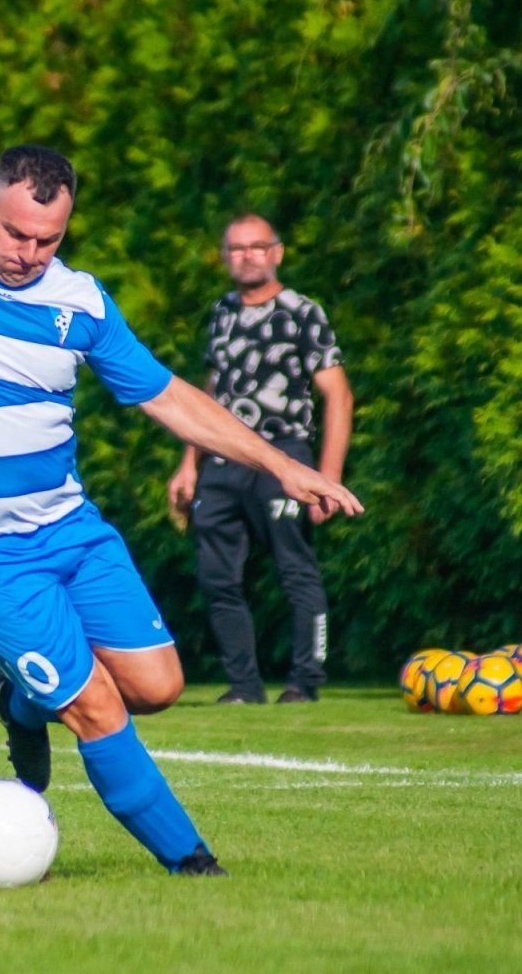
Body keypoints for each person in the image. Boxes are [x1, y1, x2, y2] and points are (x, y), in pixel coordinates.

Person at [0, 146, 362, 876]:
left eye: (48, 240)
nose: (28, 253)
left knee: (158, 688)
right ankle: (193, 864)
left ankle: (20, 702)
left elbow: (172, 398)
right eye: (14, 233)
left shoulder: (82, 302)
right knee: (97, 704)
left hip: (69, 530)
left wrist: (286, 465)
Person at [166, 214, 354, 705]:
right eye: (236, 248)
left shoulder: (301, 312)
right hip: (225, 462)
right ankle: (244, 686)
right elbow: (209, 395)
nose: (247, 256)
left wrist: (326, 476)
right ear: (225, 255)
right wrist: (190, 464)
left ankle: (305, 683)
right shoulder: (222, 312)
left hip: (286, 455)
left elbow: (337, 394)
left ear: (277, 252)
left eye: (256, 247)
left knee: (296, 568)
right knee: (216, 576)